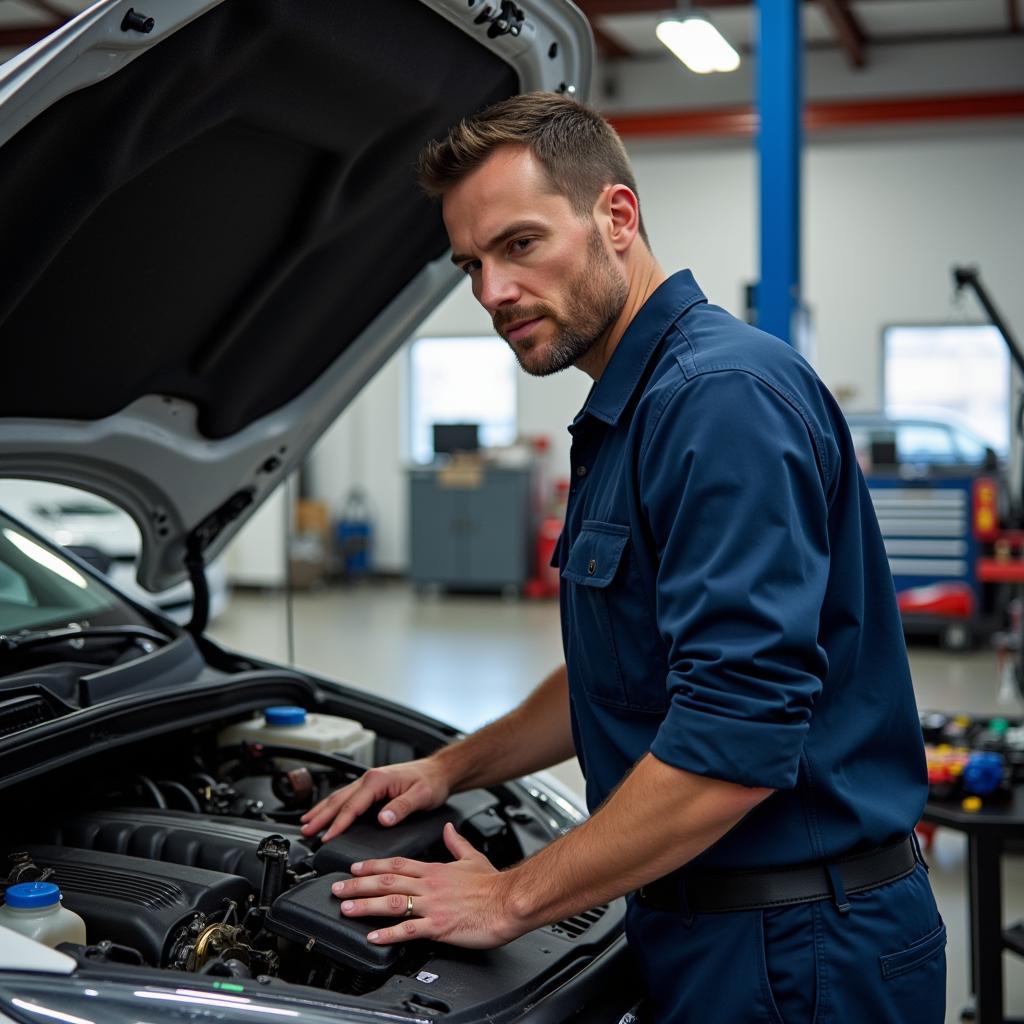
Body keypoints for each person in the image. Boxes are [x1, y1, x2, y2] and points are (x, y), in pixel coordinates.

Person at [300, 93, 945, 1021]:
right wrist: (453, 767)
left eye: (519, 245)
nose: (491, 292)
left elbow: (733, 740)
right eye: (471, 265)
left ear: (616, 217)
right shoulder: (635, 408)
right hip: (713, 927)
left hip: (796, 954)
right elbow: (627, 668)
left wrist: (510, 898)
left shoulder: (716, 400)